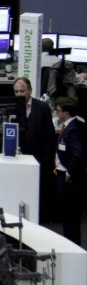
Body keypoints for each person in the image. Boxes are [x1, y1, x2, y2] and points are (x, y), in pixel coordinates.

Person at [13, 77, 57, 221]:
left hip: (39, 157)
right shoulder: (11, 107)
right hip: (19, 157)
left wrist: (46, 159)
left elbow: (50, 135)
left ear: (30, 91)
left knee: (39, 191)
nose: (19, 94)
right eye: (16, 91)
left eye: (22, 91)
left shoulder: (42, 107)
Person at [53, 96, 86, 245]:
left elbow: (79, 154)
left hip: (69, 179)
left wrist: (69, 172)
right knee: (68, 213)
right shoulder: (74, 124)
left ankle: (71, 243)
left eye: (58, 111)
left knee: (69, 214)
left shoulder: (73, 129)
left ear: (65, 113)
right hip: (62, 172)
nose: (56, 113)